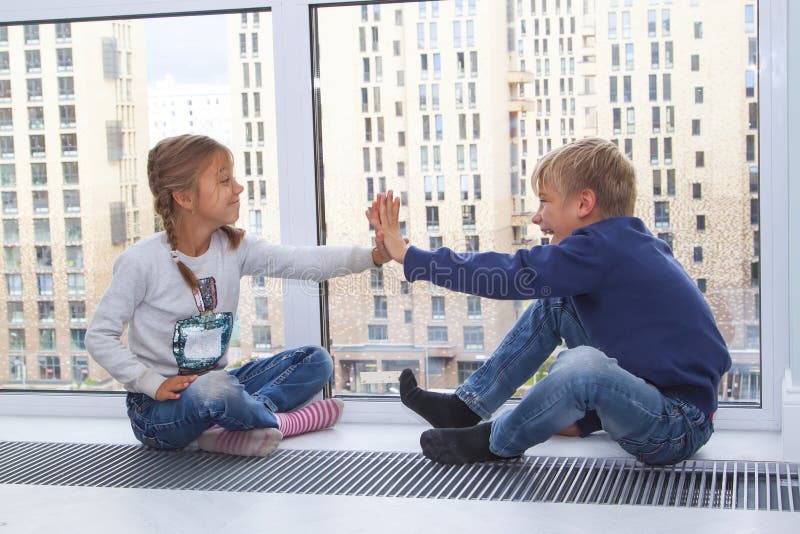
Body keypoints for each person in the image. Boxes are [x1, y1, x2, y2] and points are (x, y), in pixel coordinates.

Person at [369, 138, 731, 465]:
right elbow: (645, 349)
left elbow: (510, 274)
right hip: (657, 406)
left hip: (678, 425)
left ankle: (496, 442)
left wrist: (410, 256)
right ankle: (464, 407)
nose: (536, 217)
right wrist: (588, 420)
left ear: (584, 203)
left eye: (544, 201)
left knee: (583, 365)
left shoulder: (603, 249)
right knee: (557, 303)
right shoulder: (623, 245)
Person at [86, 134, 393, 457]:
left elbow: (300, 260)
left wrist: (373, 255)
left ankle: (225, 429)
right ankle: (280, 422)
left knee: (316, 360)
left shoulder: (234, 248)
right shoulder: (141, 261)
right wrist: (150, 382)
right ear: (184, 198)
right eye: (224, 180)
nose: (238, 187)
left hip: (218, 385)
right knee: (215, 389)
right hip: (157, 410)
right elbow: (99, 336)